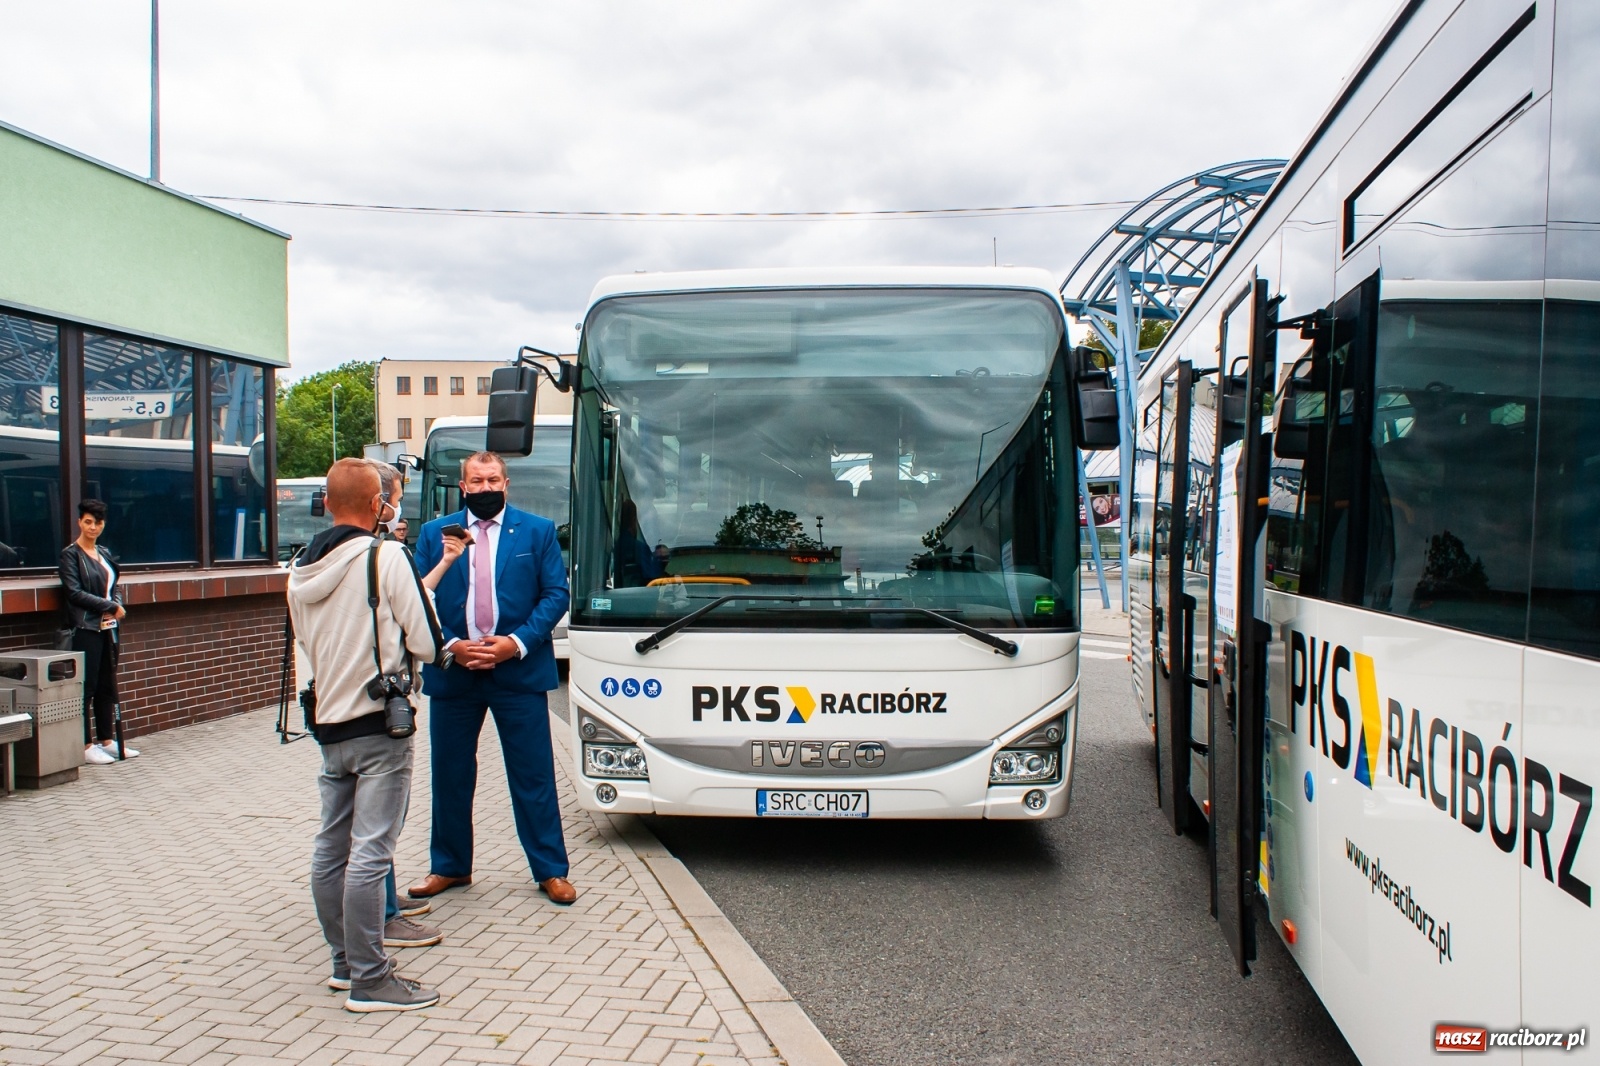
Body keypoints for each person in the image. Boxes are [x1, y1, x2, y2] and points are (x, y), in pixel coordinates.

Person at [287, 458, 456, 1013]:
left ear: (327, 503)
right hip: (381, 723)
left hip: (328, 723)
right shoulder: (386, 557)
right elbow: (427, 642)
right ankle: (370, 978)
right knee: (371, 852)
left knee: (330, 848)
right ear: (376, 505)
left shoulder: (300, 566)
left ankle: (343, 964)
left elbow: (307, 645)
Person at [408, 450, 575, 905]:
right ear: (463, 487)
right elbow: (416, 598)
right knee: (450, 775)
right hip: (454, 674)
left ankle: (550, 870)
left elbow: (555, 594)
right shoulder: (435, 534)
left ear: (506, 484)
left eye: (493, 481)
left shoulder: (537, 531)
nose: (485, 488)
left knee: (533, 775)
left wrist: (514, 643)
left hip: (517, 671)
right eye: (477, 482)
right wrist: (451, 646)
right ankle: (449, 866)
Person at [59, 499, 133, 765]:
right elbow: (74, 592)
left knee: (106, 685)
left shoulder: (104, 552)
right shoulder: (71, 555)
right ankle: (85, 745)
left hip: (108, 628)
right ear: (79, 522)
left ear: (104, 525)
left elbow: (114, 586)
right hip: (85, 628)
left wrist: (117, 605)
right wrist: (110, 606)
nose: (93, 527)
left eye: (98, 522)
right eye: (88, 522)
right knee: (87, 686)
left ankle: (107, 740)